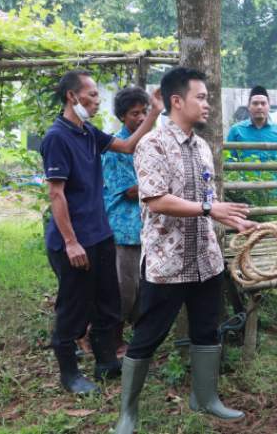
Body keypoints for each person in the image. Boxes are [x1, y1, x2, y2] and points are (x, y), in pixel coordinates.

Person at [114, 67, 257, 434]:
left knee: (207, 330)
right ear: (176, 101)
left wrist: (231, 220)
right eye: (202, 97)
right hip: (166, 264)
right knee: (148, 335)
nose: (208, 104)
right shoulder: (151, 145)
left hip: (205, 261)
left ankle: (205, 398)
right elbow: (157, 200)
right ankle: (127, 415)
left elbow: (207, 202)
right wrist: (210, 210)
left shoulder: (204, 148)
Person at [40, 69, 155, 395]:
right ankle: (70, 374)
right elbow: (56, 195)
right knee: (73, 309)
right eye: (91, 95)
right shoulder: (57, 137)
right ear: (72, 96)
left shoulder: (88, 132)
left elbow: (129, 146)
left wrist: (156, 111)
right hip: (73, 242)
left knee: (108, 303)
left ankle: (106, 363)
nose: (96, 100)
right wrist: (71, 242)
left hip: (101, 235)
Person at [101, 86, 163, 357]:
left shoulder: (152, 143)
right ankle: (112, 341)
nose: (140, 118)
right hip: (124, 228)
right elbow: (128, 190)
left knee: (144, 287)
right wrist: (163, 183)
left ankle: (138, 339)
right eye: (134, 113)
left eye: (143, 112)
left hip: (148, 227)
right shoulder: (117, 147)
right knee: (124, 289)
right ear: (122, 117)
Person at [227, 85, 277, 202]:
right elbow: (228, 162)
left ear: (269, 106)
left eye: (263, 103)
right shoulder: (236, 130)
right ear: (249, 106)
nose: (259, 107)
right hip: (244, 193)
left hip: (271, 193)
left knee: (272, 220)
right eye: (255, 103)